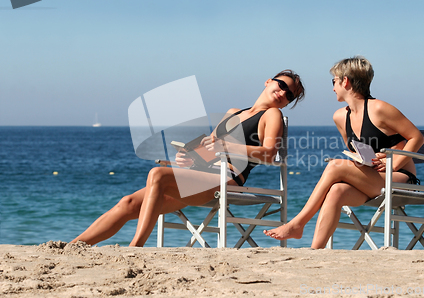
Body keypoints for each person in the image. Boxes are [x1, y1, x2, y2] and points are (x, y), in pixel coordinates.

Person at [71, 70, 305, 247]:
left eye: (290, 95)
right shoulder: (234, 113)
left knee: (157, 175)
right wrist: (188, 158)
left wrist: (226, 145)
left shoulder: (272, 115)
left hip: (227, 178)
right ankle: (74, 246)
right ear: (268, 81)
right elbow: (209, 147)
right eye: (282, 85)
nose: (284, 93)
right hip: (202, 174)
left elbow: (269, 154)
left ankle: (136, 247)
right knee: (128, 203)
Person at [264, 56, 424, 249]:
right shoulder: (340, 117)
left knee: (334, 165)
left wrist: (394, 161)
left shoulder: (379, 109)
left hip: (400, 179)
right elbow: (354, 150)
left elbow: (416, 138)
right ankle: (316, 250)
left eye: (334, 82)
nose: (333, 88)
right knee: (336, 190)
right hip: (374, 180)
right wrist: (360, 160)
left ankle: (298, 223)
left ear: (345, 81)